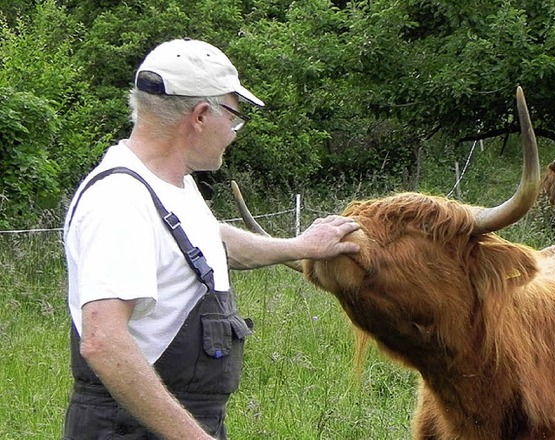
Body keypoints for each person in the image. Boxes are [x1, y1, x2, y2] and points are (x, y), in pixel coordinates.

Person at [62, 38, 360, 440]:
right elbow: (103, 342)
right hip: (129, 430)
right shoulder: (119, 200)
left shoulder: (172, 184)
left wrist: (300, 245)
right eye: (235, 117)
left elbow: (208, 242)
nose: (234, 133)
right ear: (201, 115)